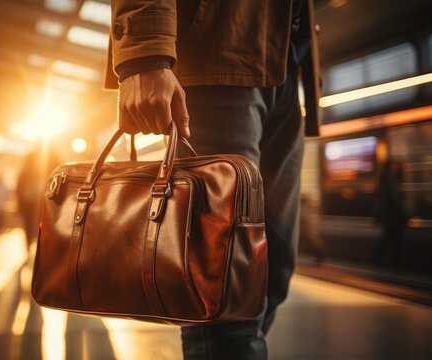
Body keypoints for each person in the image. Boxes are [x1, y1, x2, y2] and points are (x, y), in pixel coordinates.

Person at [106, 0, 321, 358]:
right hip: (214, 50)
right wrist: (144, 53)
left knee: (273, 276)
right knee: (225, 297)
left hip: (288, 60)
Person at [373, 161, 409, 268]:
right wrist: (405, 213)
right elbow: (395, 201)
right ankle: (393, 264)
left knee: (386, 238)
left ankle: (377, 260)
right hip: (394, 217)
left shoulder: (383, 181)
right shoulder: (390, 182)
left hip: (388, 217)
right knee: (395, 241)